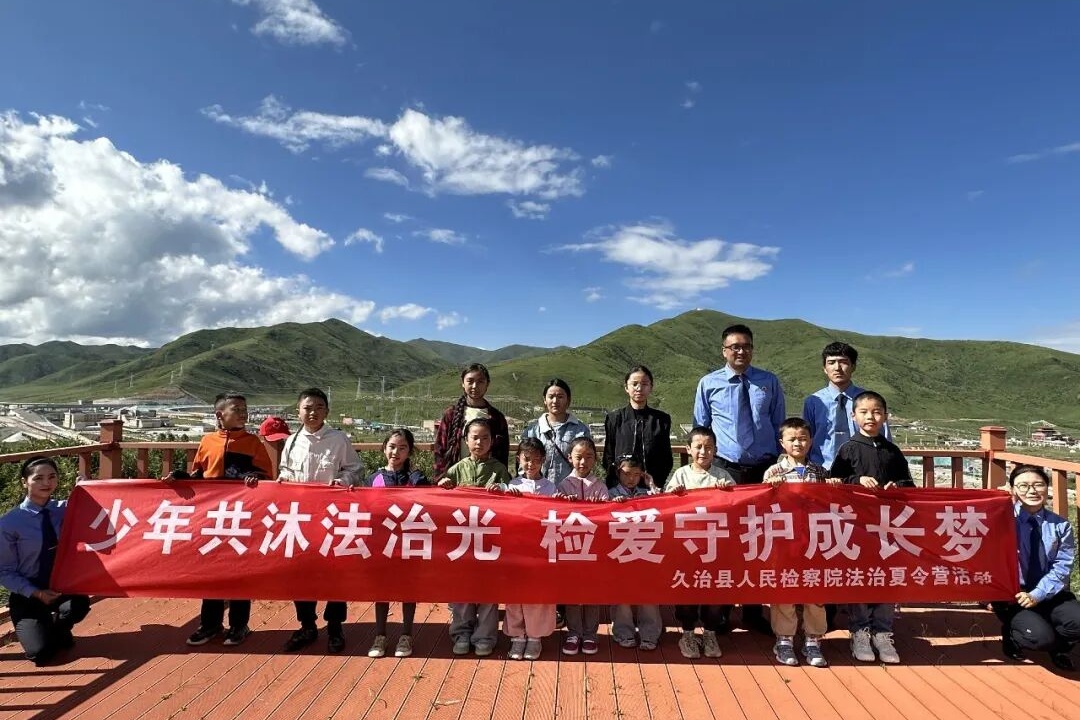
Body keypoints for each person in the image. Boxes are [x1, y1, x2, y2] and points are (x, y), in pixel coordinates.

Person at [693, 324, 782, 634]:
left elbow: (779, 424)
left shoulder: (769, 382)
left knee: (759, 540)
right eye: (734, 347)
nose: (740, 351)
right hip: (725, 470)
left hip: (763, 470)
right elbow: (701, 427)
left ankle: (753, 611)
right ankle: (721, 611)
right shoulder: (708, 383)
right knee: (725, 541)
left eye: (746, 346)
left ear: (752, 349)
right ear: (724, 351)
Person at [163, 392, 271, 647]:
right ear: (220, 414)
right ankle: (210, 624)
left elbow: (266, 475)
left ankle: (239, 625)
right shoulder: (207, 441)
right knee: (210, 571)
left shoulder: (253, 443)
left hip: (241, 516)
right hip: (211, 517)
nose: (244, 413)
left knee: (239, 571)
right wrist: (180, 477)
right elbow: (199, 475)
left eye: (245, 409)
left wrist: (255, 477)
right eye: (237, 409)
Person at [829, 390, 914, 664]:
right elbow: (834, 483)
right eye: (864, 412)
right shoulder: (848, 449)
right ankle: (860, 631)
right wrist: (857, 480)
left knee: (887, 577)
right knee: (862, 576)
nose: (871, 417)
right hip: (858, 527)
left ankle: (883, 632)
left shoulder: (893, 451)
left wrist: (896, 486)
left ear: (885, 416)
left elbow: (909, 484)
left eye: (877, 412)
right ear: (853, 416)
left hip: (889, 527)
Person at [277, 388, 363, 654]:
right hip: (300, 518)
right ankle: (307, 625)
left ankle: (335, 627)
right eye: (307, 407)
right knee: (300, 572)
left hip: (331, 518)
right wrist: (283, 480)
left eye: (318, 407)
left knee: (335, 572)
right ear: (298, 412)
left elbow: (355, 469)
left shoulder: (339, 439)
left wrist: (342, 481)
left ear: (327, 411)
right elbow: (285, 471)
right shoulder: (292, 442)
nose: (312, 412)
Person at [0, 457, 91, 666]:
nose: (46, 483)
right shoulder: (9, 523)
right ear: (24, 482)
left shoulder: (64, 509)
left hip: (60, 586)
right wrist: (37, 593)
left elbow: (101, 509)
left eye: (52, 477)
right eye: (38, 478)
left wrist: (87, 490)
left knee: (78, 606)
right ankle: (46, 630)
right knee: (40, 654)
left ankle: (58, 627)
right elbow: (4, 571)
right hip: (28, 592)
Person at [992, 465, 1079, 671]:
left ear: (1047, 488)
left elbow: (1062, 567)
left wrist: (1037, 594)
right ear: (1012, 489)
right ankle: (1013, 635)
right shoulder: (1002, 521)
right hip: (1014, 595)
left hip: (1051, 592)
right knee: (1041, 638)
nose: (1032, 491)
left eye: (1038, 485)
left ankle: (1059, 647)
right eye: (1023, 486)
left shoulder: (1061, 526)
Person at [762, 418, 832, 668]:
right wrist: (770, 488)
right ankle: (784, 639)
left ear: (810, 441)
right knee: (785, 588)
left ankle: (813, 639)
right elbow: (761, 504)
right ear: (782, 443)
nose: (798, 443)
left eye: (802, 438)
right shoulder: (773, 472)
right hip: (784, 540)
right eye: (792, 439)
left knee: (815, 589)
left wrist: (834, 486)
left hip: (813, 539)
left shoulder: (820, 472)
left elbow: (829, 505)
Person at [439, 417, 511, 656]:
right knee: (462, 588)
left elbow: (513, 503)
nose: (479, 442)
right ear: (465, 440)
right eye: (475, 437)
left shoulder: (500, 470)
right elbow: (440, 502)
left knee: (488, 590)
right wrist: (444, 485)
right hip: (462, 540)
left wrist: (502, 491)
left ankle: (485, 636)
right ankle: (461, 633)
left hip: (490, 539)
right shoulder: (457, 469)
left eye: (485, 438)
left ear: (492, 441)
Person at [667, 427, 734, 658]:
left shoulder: (723, 476)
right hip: (687, 545)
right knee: (687, 590)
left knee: (714, 593)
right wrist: (674, 494)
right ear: (688, 449)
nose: (703, 452)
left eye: (708, 447)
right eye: (698, 447)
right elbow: (666, 506)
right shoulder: (681, 475)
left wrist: (728, 493)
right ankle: (687, 633)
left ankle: (710, 633)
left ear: (715, 450)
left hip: (715, 546)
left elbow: (737, 505)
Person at [364, 428, 429, 659]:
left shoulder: (417, 479)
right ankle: (380, 635)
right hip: (381, 543)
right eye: (392, 446)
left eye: (402, 448)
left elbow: (431, 504)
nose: (396, 452)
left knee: (408, 589)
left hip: (409, 541)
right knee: (381, 589)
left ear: (409, 451)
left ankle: (406, 635)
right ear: (384, 448)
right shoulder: (373, 479)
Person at [492, 437, 558, 660]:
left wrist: (559, 501)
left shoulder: (550, 487)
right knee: (515, 595)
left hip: (540, 548)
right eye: (526, 459)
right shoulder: (513, 485)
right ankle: (517, 636)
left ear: (543, 460)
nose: (531, 464)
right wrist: (501, 494)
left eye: (536, 460)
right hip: (516, 549)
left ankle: (535, 637)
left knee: (537, 596)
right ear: (519, 459)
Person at [556, 437, 609, 656]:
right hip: (571, 548)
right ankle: (573, 632)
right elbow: (556, 516)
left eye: (589, 457)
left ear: (595, 459)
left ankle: (590, 634)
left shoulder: (601, 486)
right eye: (578, 457)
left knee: (592, 594)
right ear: (570, 458)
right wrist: (561, 502)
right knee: (572, 593)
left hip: (594, 549)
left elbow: (608, 517)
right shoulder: (562, 485)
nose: (583, 462)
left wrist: (601, 507)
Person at [802, 341, 889, 469]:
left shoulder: (870, 400)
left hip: (863, 471)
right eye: (831, 362)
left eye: (843, 362)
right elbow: (805, 439)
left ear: (853, 366)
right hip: (823, 469)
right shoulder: (813, 402)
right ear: (825, 368)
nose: (837, 368)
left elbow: (884, 438)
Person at [608, 456, 662, 651]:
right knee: (622, 593)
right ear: (618, 473)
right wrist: (612, 504)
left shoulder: (647, 493)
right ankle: (623, 632)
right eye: (627, 474)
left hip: (645, 547)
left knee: (648, 592)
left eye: (636, 474)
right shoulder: (610, 493)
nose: (631, 479)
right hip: (620, 549)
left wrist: (652, 485)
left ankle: (650, 633)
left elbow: (665, 505)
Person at [433, 363, 510, 479]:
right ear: (463, 383)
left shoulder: (496, 418)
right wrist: (441, 477)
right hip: (455, 478)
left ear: (487, 384)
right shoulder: (451, 414)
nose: (475, 386)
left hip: (488, 480)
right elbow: (440, 449)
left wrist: (501, 480)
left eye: (480, 382)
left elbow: (503, 455)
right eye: (470, 381)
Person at [602, 366, 673, 489]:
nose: (639, 388)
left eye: (644, 384)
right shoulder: (614, 418)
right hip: (619, 489)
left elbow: (666, 458)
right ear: (626, 387)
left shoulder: (661, 420)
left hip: (651, 487)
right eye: (634, 384)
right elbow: (608, 456)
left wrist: (656, 483)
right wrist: (616, 482)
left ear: (651, 387)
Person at [521, 378, 590, 484]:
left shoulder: (580, 430)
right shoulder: (532, 430)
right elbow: (523, 463)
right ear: (545, 400)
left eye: (560, 397)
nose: (555, 401)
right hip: (539, 488)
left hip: (570, 489)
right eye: (551, 397)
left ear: (568, 400)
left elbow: (587, 462)